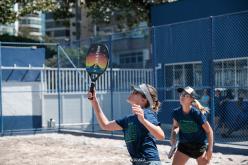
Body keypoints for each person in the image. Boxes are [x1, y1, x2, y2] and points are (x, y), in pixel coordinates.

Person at [87, 83, 165, 165]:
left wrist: (143, 120)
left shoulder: (147, 113)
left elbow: (161, 136)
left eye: (135, 92)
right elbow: (105, 125)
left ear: (143, 100)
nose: (132, 92)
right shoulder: (128, 119)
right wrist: (94, 100)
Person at [170, 86, 213, 165]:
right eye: (181, 95)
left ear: (192, 99)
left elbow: (209, 131)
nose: (182, 97)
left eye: (186, 95)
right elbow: (176, 127)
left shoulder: (197, 114)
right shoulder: (176, 112)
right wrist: (173, 137)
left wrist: (210, 150)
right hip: (184, 146)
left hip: (199, 147)